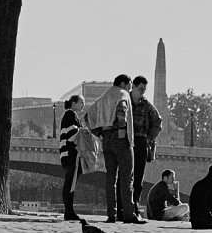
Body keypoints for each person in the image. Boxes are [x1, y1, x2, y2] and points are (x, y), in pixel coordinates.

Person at [88, 74, 146, 224]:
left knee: (110, 178)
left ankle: (111, 214)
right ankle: (128, 214)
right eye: (129, 85)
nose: (129, 88)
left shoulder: (104, 97)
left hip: (107, 141)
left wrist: (99, 133)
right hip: (122, 141)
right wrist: (121, 127)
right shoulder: (122, 94)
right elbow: (122, 110)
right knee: (127, 178)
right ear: (123, 83)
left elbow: (88, 117)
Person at [128, 75, 162, 216]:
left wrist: (149, 138)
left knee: (138, 177)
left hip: (141, 142)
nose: (142, 92)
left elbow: (158, 123)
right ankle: (123, 206)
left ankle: (134, 204)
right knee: (124, 175)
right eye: (140, 89)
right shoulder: (124, 101)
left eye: (144, 90)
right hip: (126, 142)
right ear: (133, 87)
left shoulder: (147, 105)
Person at [59, 95, 84, 221]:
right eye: (81, 102)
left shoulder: (67, 115)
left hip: (66, 154)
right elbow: (72, 135)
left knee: (68, 182)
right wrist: (84, 132)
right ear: (74, 103)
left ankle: (68, 211)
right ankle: (69, 212)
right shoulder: (71, 115)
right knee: (70, 183)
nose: (83, 105)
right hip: (71, 154)